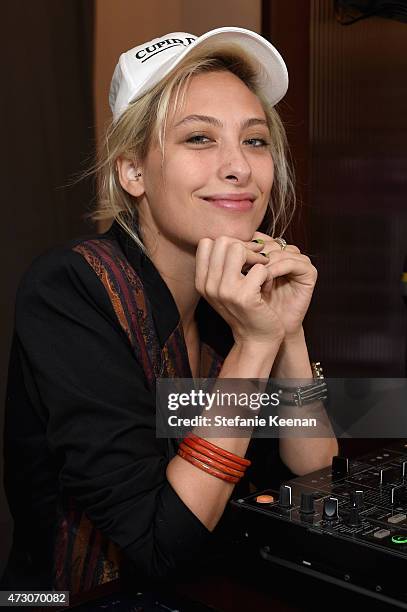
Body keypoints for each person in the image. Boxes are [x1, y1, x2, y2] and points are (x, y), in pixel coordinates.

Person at [2, 27, 338, 596]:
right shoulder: (72, 289)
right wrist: (253, 347)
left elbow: (322, 488)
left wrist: (288, 334)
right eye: (200, 139)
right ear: (132, 171)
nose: (239, 167)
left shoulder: (235, 297)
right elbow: (161, 546)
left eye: (255, 141)